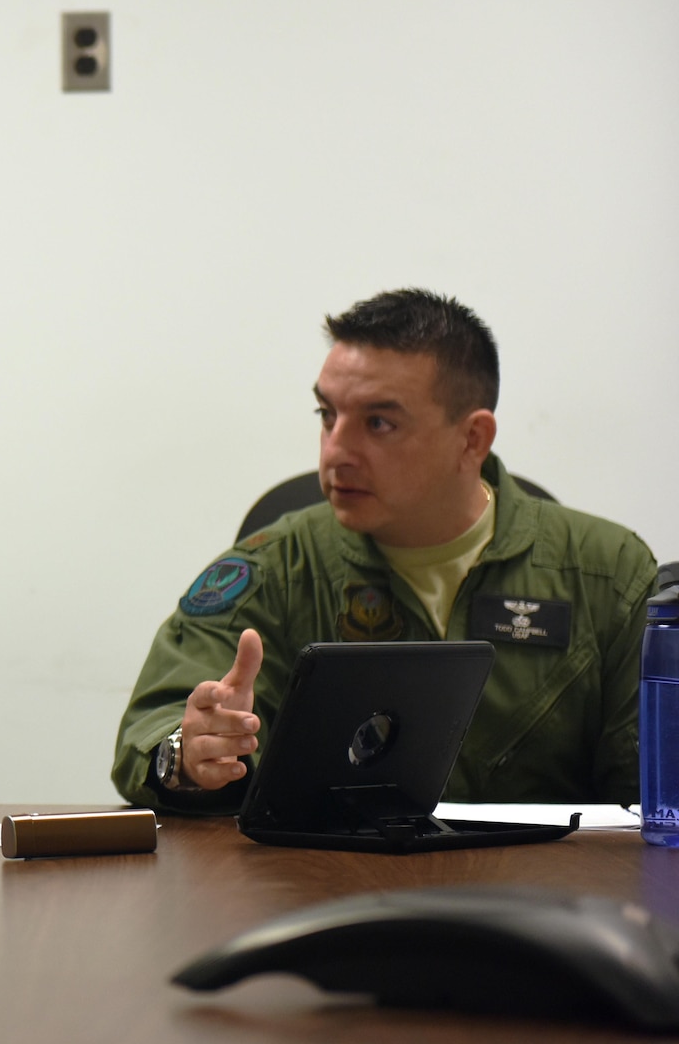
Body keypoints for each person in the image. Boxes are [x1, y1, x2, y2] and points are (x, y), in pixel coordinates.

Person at [113, 289, 658, 810]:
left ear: (472, 439)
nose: (337, 451)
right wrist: (189, 755)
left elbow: (646, 794)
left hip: (536, 894)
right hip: (324, 889)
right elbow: (157, 727)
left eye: (378, 422)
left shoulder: (606, 574)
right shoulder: (277, 568)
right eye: (327, 415)